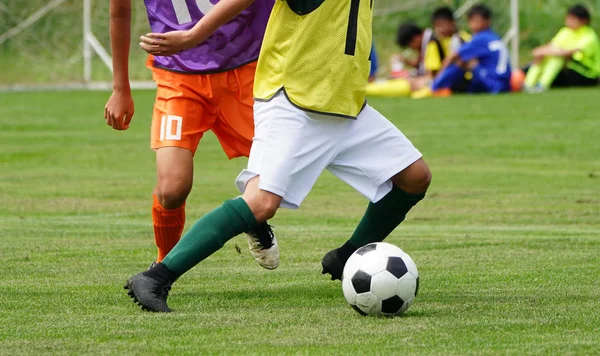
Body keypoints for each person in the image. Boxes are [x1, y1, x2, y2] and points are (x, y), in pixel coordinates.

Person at [126, 0, 432, 313]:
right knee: (260, 202)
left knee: (414, 177)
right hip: (293, 102)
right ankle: (156, 277)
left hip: (343, 103)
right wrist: (193, 36)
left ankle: (346, 258)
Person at [104, 0, 279, 271]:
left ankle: (251, 214)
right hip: (178, 77)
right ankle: (163, 266)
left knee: (276, 173)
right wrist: (120, 88)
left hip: (248, 67)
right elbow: (120, 11)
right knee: (172, 188)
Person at [413, 4, 511, 98]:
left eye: (477, 21)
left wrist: (437, 78)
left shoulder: (479, 38)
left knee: (459, 62)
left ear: (487, 21)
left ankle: (432, 88)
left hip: (493, 83)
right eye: (472, 21)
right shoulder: (495, 37)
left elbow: (452, 57)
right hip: (505, 83)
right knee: (468, 63)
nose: (474, 25)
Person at [524, 4, 600, 91]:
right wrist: (540, 52)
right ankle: (528, 85)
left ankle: (542, 86)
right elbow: (552, 46)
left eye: (572, 18)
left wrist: (546, 52)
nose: (569, 21)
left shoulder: (589, 36)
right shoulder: (565, 32)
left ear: (583, 21)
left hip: (586, 74)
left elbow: (570, 52)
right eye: (568, 18)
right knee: (542, 56)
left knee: (557, 58)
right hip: (569, 69)